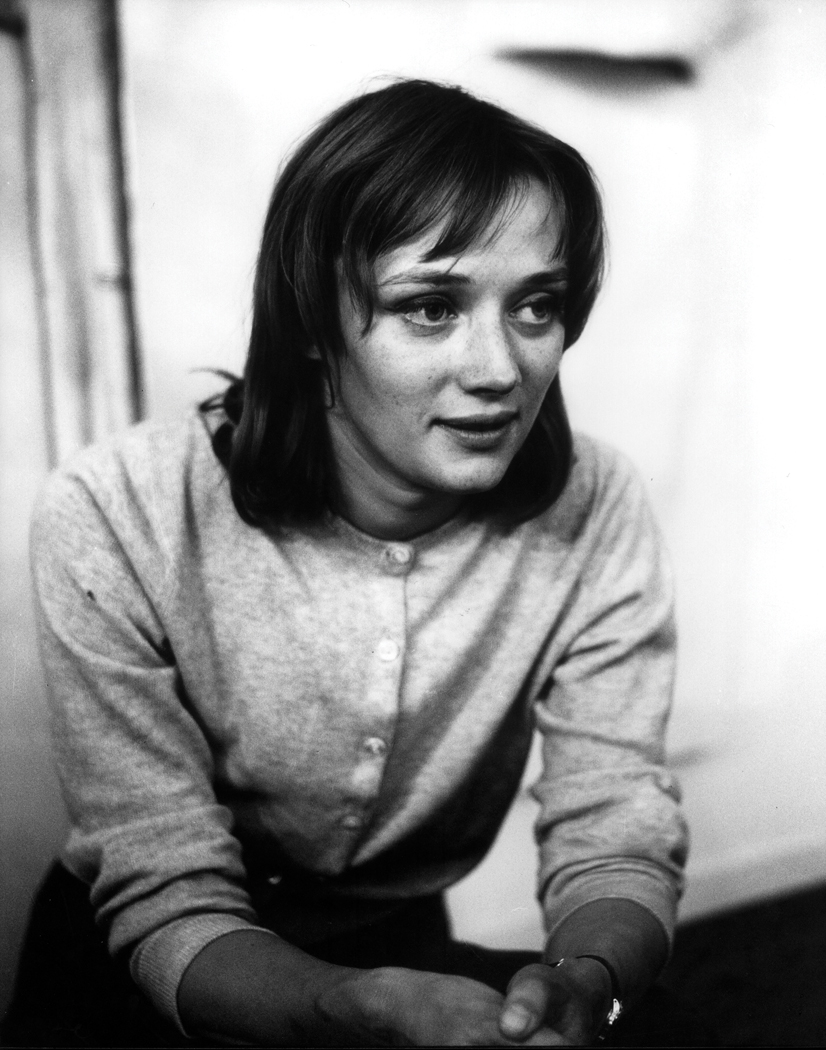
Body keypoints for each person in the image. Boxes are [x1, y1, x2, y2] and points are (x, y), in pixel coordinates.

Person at [13, 78, 694, 1046]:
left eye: (536, 306)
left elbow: (614, 816)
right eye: (431, 307)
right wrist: (340, 1006)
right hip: (138, 983)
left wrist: (586, 984)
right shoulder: (117, 511)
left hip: (398, 950)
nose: (500, 369)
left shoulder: (596, 506)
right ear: (310, 324)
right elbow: (165, 885)